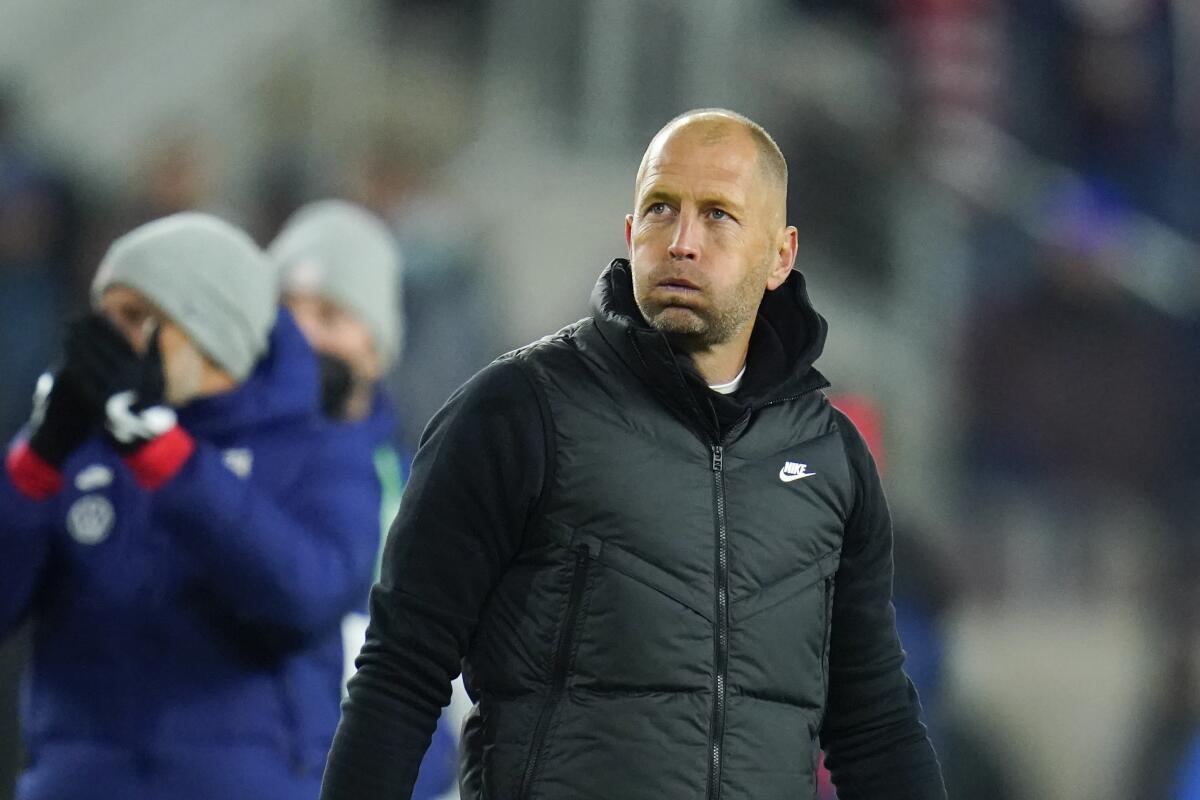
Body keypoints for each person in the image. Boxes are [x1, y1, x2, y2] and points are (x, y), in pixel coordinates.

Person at [321, 109, 947, 799]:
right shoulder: (516, 411)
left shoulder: (830, 456)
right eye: (660, 209)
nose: (681, 242)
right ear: (629, 233)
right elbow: (401, 674)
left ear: (780, 256)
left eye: (717, 215)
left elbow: (875, 725)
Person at [0, 213, 382, 799]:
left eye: (135, 320)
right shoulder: (73, 441)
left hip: (248, 784)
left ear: (209, 329)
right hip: (77, 782)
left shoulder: (318, 445)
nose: (108, 343)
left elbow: (307, 597)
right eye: (105, 318)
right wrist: (35, 465)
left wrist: (167, 457)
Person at [270, 199, 458, 798]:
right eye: (285, 312)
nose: (301, 337)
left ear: (376, 347)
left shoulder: (419, 495)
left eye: (328, 315)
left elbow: (441, 694)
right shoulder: (213, 466)